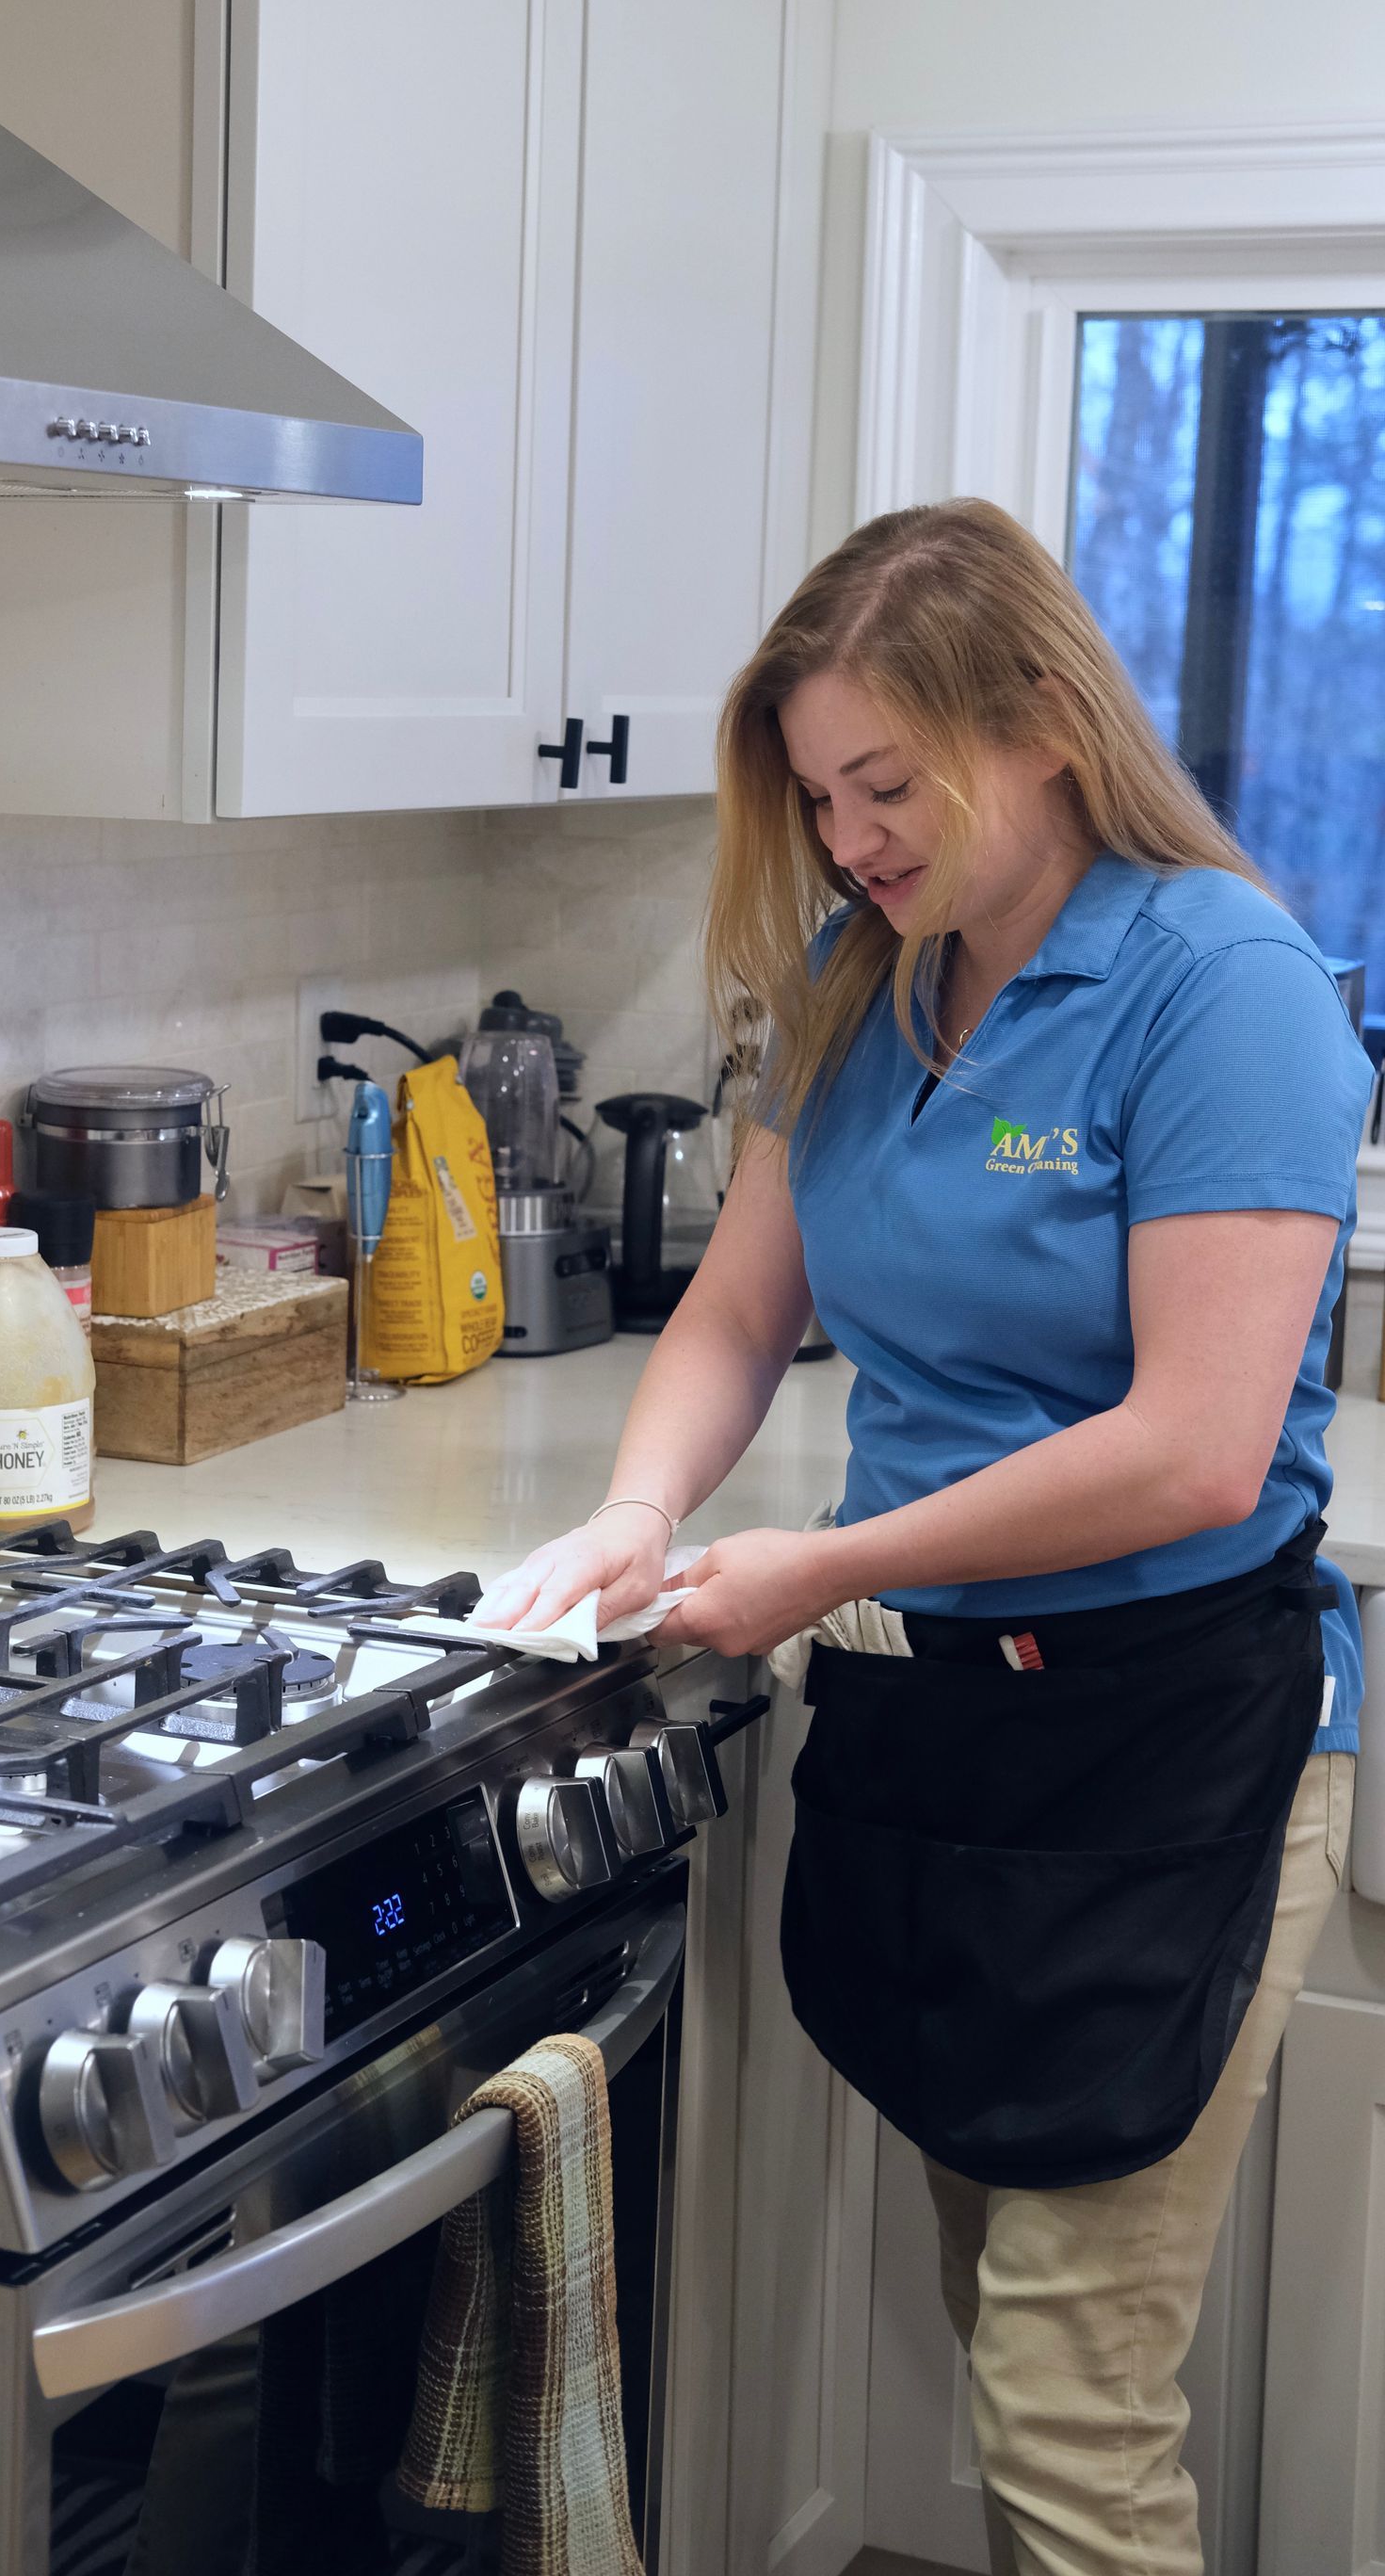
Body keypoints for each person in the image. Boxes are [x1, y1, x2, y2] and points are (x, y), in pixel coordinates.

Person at [474, 497, 1374, 2576]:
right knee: (1007, 2334)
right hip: (946, 1737)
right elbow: (739, 1304)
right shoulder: (866, 971)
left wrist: (833, 1565)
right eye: (820, 793)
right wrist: (640, 1508)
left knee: (1066, 2411)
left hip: (1172, 1753)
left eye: (889, 784)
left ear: (1044, 720)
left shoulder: (1218, 986)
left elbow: (1196, 1450)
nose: (852, 836)